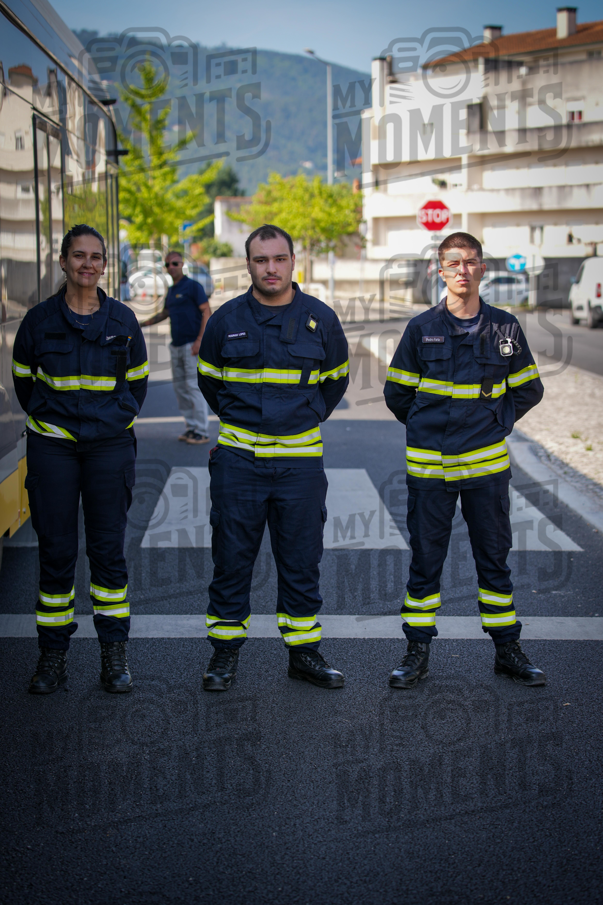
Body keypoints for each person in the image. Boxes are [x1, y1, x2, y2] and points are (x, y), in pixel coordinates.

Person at [384, 231, 546, 688]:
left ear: (482, 269)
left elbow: (529, 388)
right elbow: (397, 393)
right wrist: (425, 428)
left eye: (470, 262)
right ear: (441, 270)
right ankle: (416, 651)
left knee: (494, 560)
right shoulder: (420, 329)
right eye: (453, 263)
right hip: (430, 470)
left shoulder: (505, 328)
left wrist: (497, 420)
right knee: (426, 562)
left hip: (487, 471)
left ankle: (506, 650)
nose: (462, 270)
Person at [197, 224, 349, 691]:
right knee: (232, 560)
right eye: (261, 260)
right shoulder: (225, 319)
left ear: (292, 261)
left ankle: (304, 655)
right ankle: (224, 656)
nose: (271, 268)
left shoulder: (320, 320)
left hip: (299, 467)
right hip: (238, 463)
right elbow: (209, 381)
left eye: (279, 259)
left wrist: (307, 415)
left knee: (301, 562)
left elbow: (336, 380)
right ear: (248, 264)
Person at [12, 224, 149, 694]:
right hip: (53, 446)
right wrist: (55, 423)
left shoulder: (123, 321)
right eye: (79, 256)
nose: (87, 264)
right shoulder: (38, 321)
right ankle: (53, 656)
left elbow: (137, 386)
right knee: (56, 554)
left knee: (108, 553)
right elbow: (24, 383)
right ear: (64, 262)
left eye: (96, 257)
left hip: (108, 448)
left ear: (105, 265)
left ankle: (114, 653)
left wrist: (108, 423)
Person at [141, 250, 210, 444]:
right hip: (176, 345)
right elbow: (165, 313)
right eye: (168, 265)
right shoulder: (172, 291)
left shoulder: (193, 287)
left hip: (191, 345)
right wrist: (141, 324)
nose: (172, 267)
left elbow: (207, 312)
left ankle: (202, 431)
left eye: (175, 264)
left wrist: (199, 340)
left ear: (182, 265)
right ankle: (191, 427)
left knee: (192, 387)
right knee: (180, 389)